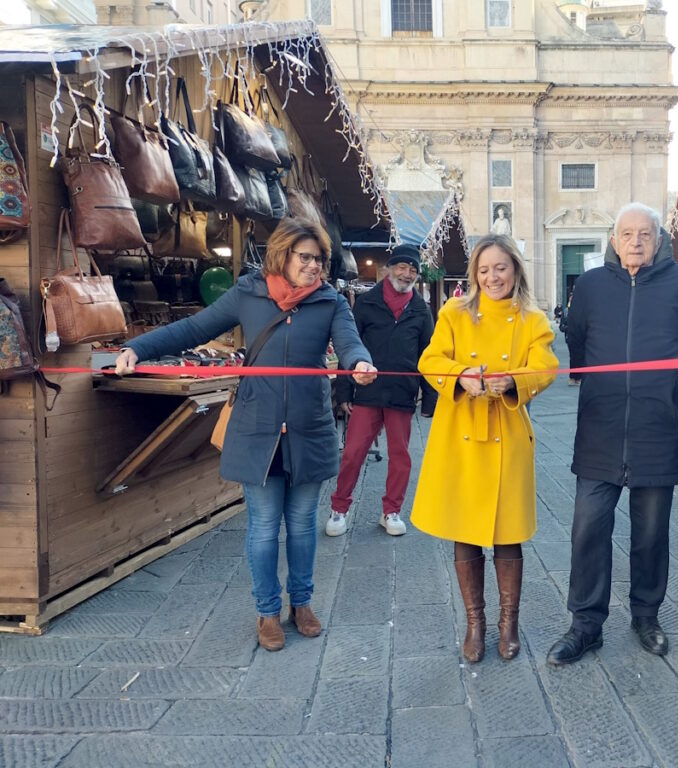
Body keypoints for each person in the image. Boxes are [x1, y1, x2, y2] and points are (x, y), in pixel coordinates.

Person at [115, 218, 376, 652]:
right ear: (283, 255)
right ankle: (267, 611)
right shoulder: (249, 293)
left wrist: (360, 363)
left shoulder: (331, 302)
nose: (314, 267)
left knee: (303, 526)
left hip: (309, 426)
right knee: (263, 527)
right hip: (258, 428)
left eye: (320, 260)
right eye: (305, 258)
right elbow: (192, 329)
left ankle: (303, 603)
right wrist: (138, 348)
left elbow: (350, 344)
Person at [546, 203, 678, 666]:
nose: (635, 241)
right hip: (600, 430)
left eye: (644, 233)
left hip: (660, 431)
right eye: (626, 234)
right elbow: (576, 342)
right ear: (614, 241)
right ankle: (585, 624)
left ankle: (646, 616)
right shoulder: (594, 286)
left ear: (658, 240)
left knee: (651, 533)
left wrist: (673, 397)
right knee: (587, 530)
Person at [410, 234, 557, 662]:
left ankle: (508, 623)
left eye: (501, 268)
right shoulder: (454, 312)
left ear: (516, 270)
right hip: (460, 433)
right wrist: (462, 375)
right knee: (465, 531)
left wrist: (514, 381)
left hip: (507, 432)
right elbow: (430, 360)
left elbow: (546, 366)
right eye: (484, 269)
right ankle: (475, 623)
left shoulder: (532, 318)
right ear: (474, 274)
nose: (492, 277)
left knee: (508, 533)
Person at [327, 243, 438, 537]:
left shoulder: (421, 310)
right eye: (402, 267)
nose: (407, 274)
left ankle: (391, 511)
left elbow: (429, 354)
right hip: (366, 391)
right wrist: (345, 393)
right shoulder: (366, 303)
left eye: (413, 270)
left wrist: (430, 400)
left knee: (401, 456)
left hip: (402, 393)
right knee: (352, 452)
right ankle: (339, 508)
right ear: (389, 269)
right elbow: (348, 345)